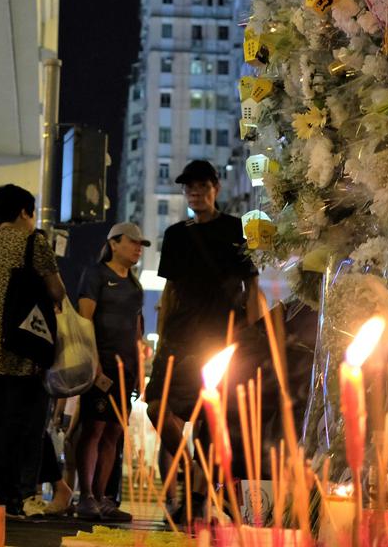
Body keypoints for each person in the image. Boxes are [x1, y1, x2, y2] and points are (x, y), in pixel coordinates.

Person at [143, 160, 259, 523]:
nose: (195, 192)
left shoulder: (236, 228)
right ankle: (194, 469)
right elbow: (170, 289)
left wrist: (257, 338)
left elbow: (252, 286)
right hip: (179, 336)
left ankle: (195, 501)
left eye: (202, 186)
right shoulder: (176, 234)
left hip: (221, 336)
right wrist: (161, 337)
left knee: (212, 419)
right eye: (189, 187)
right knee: (157, 408)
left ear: (216, 188)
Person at [0, 185, 66, 517]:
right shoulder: (33, 242)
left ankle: (4, 496)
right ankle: (5, 491)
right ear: (25, 212)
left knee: (1, 424)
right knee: (28, 428)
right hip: (25, 352)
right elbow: (56, 290)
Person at [74, 222, 147, 523]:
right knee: (94, 428)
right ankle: (86, 497)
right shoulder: (96, 276)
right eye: (133, 242)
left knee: (115, 432)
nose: (138, 248)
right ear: (114, 243)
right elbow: (84, 319)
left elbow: (138, 330)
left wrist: (140, 372)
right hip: (100, 365)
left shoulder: (135, 284)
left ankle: (102, 497)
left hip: (126, 369)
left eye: (141, 244)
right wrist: (93, 361)